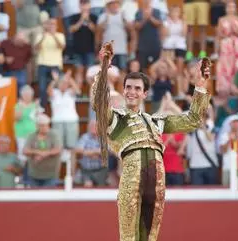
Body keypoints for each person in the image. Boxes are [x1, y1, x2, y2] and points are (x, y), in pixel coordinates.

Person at [90, 43, 211, 241]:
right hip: (132, 175)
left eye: (137, 88)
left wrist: (200, 84)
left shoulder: (157, 121)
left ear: (145, 94)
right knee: (129, 237)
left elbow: (193, 120)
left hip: (157, 180)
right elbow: (99, 102)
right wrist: (103, 68)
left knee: (150, 237)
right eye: (128, 87)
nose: (131, 92)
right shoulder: (115, 118)